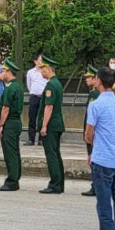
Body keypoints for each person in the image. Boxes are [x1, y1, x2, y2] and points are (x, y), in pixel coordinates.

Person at [84, 66, 115, 230]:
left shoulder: (96, 104)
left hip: (103, 157)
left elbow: (88, 134)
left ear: (99, 81)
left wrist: (93, 149)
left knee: (103, 199)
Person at [37, 55, 66, 194]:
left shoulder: (50, 85)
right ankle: (60, 183)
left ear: (48, 69)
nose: (41, 72)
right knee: (56, 153)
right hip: (57, 124)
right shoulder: (57, 83)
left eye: (42, 69)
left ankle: (54, 184)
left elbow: (49, 107)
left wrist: (44, 126)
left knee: (51, 154)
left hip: (51, 125)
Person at [0, 58, 23, 192]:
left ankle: (11, 181)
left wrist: (1, 125)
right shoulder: (18, 86)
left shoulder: (10, 88)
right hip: (16, 122)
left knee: (10, 153)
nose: (2, 73)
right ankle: (15, 178)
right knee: (15, 152)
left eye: (3, 71)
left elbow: (5, 108)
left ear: (9, 72)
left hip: (9, 123)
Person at [81, 65, 100, 197]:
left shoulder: (94, 94)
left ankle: (95, 185)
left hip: (92, 132)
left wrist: (87, 132)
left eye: (89, 77)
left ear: (95, 79)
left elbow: (90, 115)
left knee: (92, 158)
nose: (86, 80)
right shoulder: (95, 93)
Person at [25, 53, 46, 145]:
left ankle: (41, 139)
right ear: (35, 61)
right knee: (32, 118)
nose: (41, 62)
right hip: (34, 96)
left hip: (43, 97)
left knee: (42, 118)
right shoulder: (30, 72)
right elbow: (29, 85)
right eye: (40, 60)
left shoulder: (45, 71)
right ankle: (31, 139)